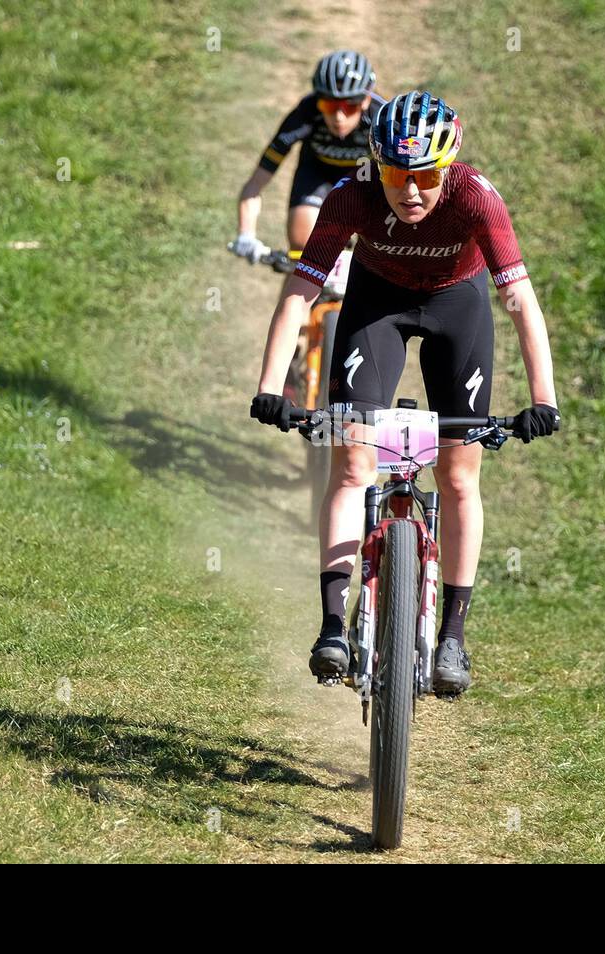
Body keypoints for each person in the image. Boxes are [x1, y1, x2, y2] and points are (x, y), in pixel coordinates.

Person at [250, 90, 560, 695]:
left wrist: (544, 398)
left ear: (448, 170)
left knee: (459, 475)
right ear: (376, 164)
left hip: (457, 306)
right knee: (351, 464)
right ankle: (334, 627)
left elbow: (518, 297)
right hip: (378, 305)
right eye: (398, 174)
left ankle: (453, 637)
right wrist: (269, 386)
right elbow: (300, 292)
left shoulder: (474, 197)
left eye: (427, 175)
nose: (412, 190)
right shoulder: (351, 197)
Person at [230, 50, 386, 269]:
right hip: (316, 175)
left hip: (364, 176)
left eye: (349, 106)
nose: (338, 117)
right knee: (303, 254)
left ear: (366, 100)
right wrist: (246, 233)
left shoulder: (383, 118)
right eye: (329, 106)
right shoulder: (305, 113)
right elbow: (256, 183)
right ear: (318, 101)